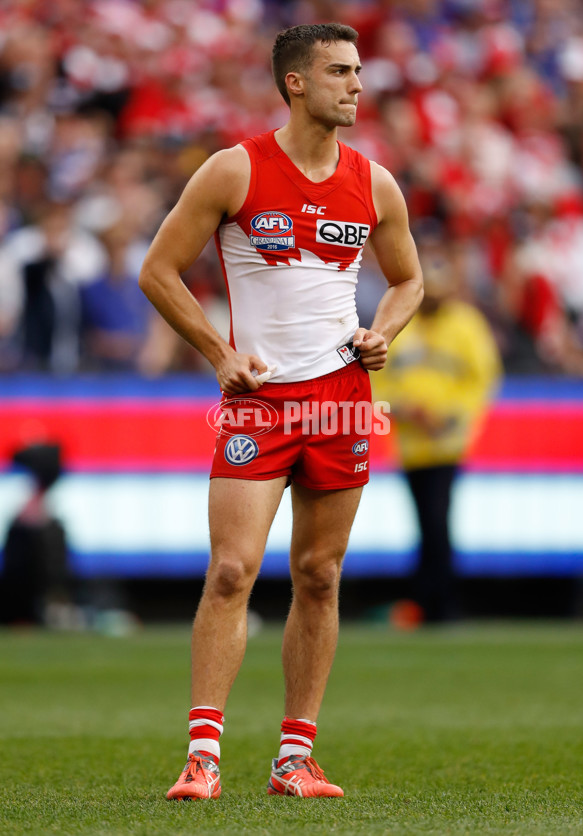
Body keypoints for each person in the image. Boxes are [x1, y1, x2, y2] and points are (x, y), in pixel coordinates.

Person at [139, 22, 423, 799]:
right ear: (295, 82)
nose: (357, 84)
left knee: (320, 576)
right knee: (231, 571)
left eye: (359, 70)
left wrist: (383, 332)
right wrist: (218, 354)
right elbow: (158, 271)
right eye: (339, 71)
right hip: (259, 404)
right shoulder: (234, 170)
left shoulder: (376, 183)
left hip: (341, 400)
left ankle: (294, 759)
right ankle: (203, 755)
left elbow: (408, 280)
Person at [372, 251, 502, 625]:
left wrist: (445, 417)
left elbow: (483, 380)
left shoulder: (465, 324)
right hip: (411, 445)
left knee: (435, 521)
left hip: (446, 443)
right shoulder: (400, 323)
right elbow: (376, 380)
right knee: (428, 523)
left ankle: (437, 603)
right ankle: (431, 602)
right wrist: (402, 407)